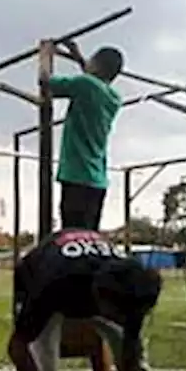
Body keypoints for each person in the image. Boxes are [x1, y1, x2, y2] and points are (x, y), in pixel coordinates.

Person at [8, 227, 181, 371]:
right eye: (117, 315)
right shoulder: (52, 286)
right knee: (43, 365)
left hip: (88, 267)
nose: (121, 321)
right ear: (100, 300)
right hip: (38, 275)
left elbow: (131, 352)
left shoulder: (132, 285)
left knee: (136, 352)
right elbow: (17, 349)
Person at [45, 40, 125, 230]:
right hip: (97, 181)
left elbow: (46, 81)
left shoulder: (85, 84)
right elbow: (92, 81)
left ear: (96, 65)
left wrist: (45, 55)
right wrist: (78, 56)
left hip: (76, 175)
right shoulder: (114, 97)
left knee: (73, 235)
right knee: (88, 237)